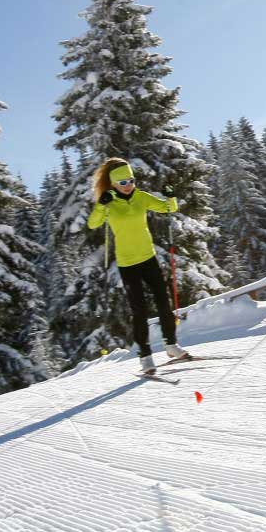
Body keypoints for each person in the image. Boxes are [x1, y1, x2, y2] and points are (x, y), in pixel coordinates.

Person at [87, 157, 188, 372]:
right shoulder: (109, 203)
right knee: (139, 310)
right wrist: (100, 204)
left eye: (131, 180)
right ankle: (145, 355)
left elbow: (168, 208)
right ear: (113, 184)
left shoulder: (141, 197)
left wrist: (171, 195)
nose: (128, 186)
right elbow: (93, 223)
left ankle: (171, 345)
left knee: (163, 302)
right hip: (127, 264)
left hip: (148, 258)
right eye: (122, 183)